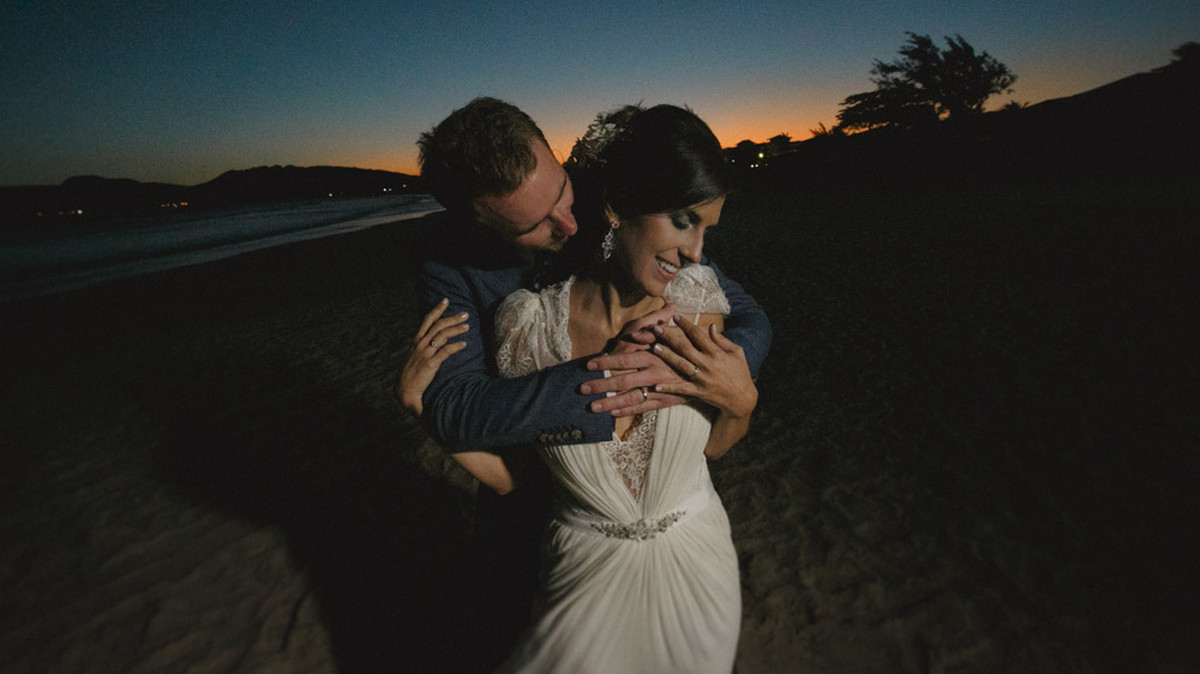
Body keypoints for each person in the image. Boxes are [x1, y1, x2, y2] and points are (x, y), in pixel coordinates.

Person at [403, 103, 759, 672]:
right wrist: (605, 376)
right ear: (479, 221)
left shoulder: (647, 240)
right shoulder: (475, 284)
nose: (570, 227)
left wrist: (735, 390)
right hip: (565, 534)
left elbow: (746, 318)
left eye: (563, 193)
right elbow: (461, 409)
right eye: (535, 225)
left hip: (697, 560)